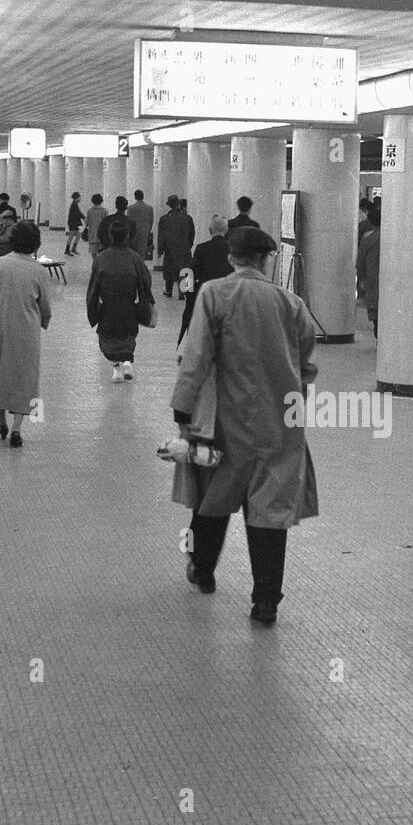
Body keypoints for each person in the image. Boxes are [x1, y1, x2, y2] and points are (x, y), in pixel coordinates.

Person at [171, 226, 318, 626]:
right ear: (266, 260)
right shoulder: (291, 302)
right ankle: (266, 602)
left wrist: (182, 408)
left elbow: (197, 355)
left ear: (232, 257)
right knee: (270, 511)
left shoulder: (214, 294)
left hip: (226, 421)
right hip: (281, 423)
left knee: (213, 499)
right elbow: (307, 362)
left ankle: (203, 570)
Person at [0, 221, 52, 448]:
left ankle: (1, 422)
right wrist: (44, 320)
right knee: (25, 377)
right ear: (36, 243)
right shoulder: (39, 270)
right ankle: (17, 428)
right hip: (27, 330)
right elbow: (44, 304)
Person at [87, 217, 153, 382]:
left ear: (110, 235)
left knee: (107, 339)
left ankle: (116, 368)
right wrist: (146, 301)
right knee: (128, 336)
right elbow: (146, 280)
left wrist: (92, 307)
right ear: (127, 236)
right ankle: (127, 361)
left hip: (108, 307)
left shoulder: (102, 258)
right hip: (128, 306)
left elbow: (94, 285)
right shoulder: (134, 257)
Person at [179, 215, 233, 344]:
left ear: (210, 230)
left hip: (206, 296)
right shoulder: (234, 249)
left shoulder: (202, 248)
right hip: (229, 296)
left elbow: (189, 271)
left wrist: (187, 292)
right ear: (226, 231)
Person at [156, 194, 195, 298]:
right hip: (184, 248)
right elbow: (192, 233)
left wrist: (160, 250)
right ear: (178, 204)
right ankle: (184, 291)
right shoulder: (187, 218)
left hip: (170, 249)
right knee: (185, 267)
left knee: (169, 268)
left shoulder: (164, 219)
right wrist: (189, 244)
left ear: (169, 205)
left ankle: (169, 290)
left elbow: (161, 237)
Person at [356, 211, 380, 337]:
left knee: (375, 309)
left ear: (370, 222)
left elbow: (360, 262)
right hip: (387, 281)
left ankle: (378, 336)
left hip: (372, 279)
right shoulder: (391, 239)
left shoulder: (368, 239)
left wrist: (361, 277)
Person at [126, 189, 155, 262]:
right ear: (143, 197)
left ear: (135, 197)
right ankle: (141, 268)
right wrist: (148, 231)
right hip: (144, 232)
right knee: (142, 253)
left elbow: (128, 221)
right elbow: (151, 221)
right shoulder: (149, 208)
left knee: (132, 252)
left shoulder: (130, 208)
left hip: (133, 233)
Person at [84, 193, 109, 258]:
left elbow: (86, 223)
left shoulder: (90, 211)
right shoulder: (104, 211)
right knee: (102, 254)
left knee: (93, 255)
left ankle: (94, 267)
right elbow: (106, 223)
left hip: (92, 235)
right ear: (101, 201)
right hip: (102, 236)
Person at [66, 191, 85, 255]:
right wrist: (84, 217)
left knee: (77, 235)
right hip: (73, 223)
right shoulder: (74, 205)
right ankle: (68, 249)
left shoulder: (74, 204)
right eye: (79, 197)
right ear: (76, 198)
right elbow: (78, 213)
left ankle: (72, 248)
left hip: (73, 223)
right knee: (72, 236)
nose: (80, 199)